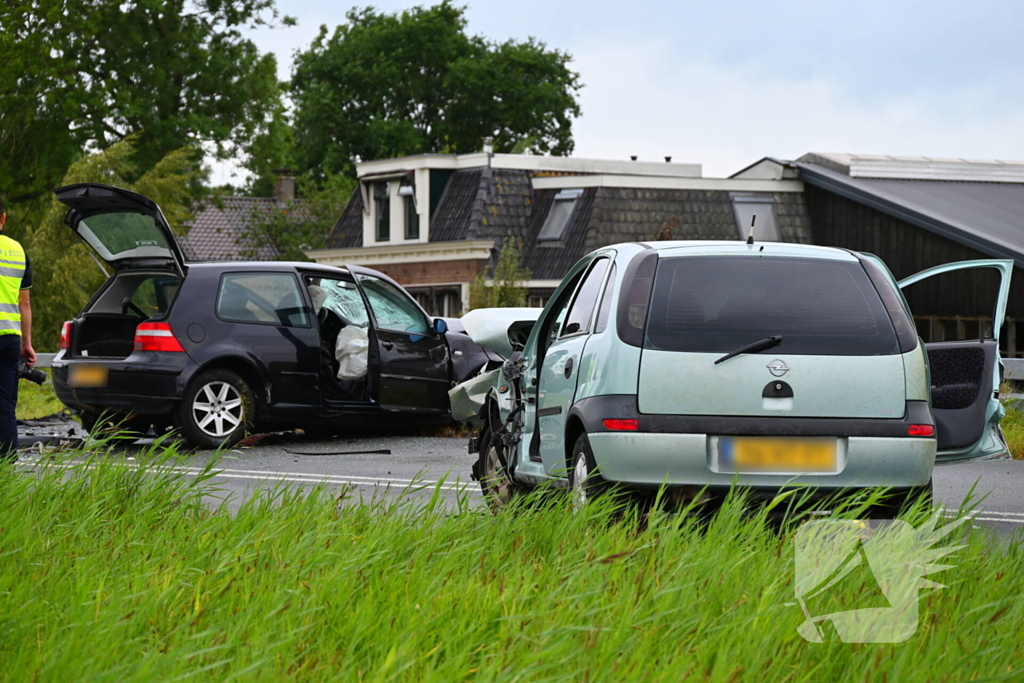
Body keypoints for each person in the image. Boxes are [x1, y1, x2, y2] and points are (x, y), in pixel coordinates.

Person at [0, 195, 35, 461]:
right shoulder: (17, 250)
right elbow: (24, 303)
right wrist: (27, 344)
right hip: (9, 339)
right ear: (3, 218)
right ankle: (7, 468)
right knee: (4, 406)